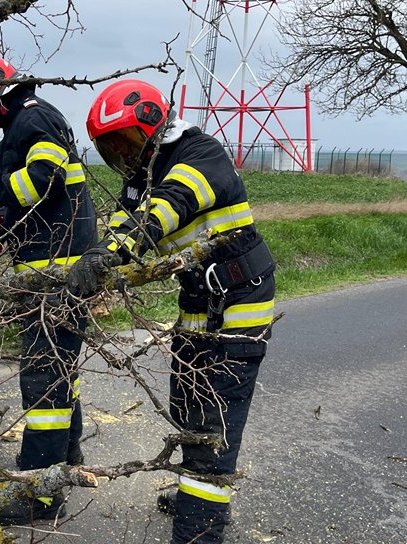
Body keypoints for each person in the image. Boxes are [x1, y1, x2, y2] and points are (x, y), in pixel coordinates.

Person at [68, 79, 276, 544]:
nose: (122, 155)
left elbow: (165, 208)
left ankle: (200, 532)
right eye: (112, 147)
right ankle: (194, 495)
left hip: (239, 305)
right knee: (187, 406)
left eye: (127, 142)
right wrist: (97, 257)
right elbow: (127, 219)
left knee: (212, 427)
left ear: (153, 128)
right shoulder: (142, 176)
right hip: (199, 305)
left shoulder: (201, 156)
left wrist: (116, 250)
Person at [0, 54, 98, 524]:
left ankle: (40, 492)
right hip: (51, 259)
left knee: (44, 376)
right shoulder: (24, 123)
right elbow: (34, 200)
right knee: (60, 368)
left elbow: (45, 180)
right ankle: (66, 458)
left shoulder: (33, 118)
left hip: (59, 267)